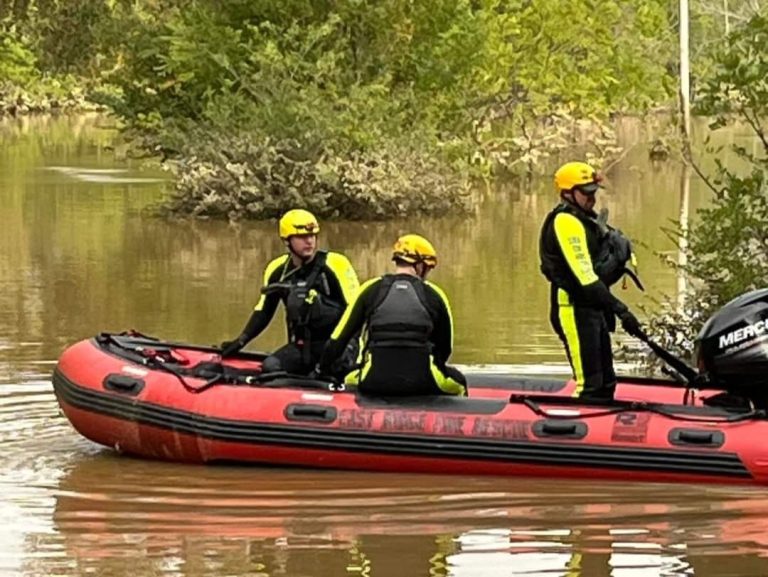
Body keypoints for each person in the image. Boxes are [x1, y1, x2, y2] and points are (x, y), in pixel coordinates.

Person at [539, 161, 644, 402]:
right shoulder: (565, 222)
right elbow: (585, 279)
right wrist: (621, 310)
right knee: (590, 385)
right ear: (567, 193)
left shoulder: (588, 221)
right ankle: (571, 432)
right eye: (585, 193)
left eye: (593, 192)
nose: (592, 199)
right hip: (573, 309)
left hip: (593, 308)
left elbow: (597, 274)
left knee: (606, 383)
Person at [316, 234, 466, 396]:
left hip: (373, 380)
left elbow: (338, 339)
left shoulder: (369, 289)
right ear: (420, 265)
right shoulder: (435, 294)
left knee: (348, 378)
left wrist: (323, 371)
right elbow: (445, 348)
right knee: (460, 382)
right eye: (428, 268)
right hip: (422, 381)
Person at [220, 209, 360, 376]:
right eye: (301, 237)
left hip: (339, 345)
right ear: (287, 241)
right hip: (303, 346)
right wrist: (241, 341)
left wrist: (345, 347)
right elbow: (264, 311)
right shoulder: (277, 270)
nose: (309, 241)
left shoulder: (336, 264)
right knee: (270, 367)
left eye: (312, 236)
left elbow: (357, 311)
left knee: (333, 370)